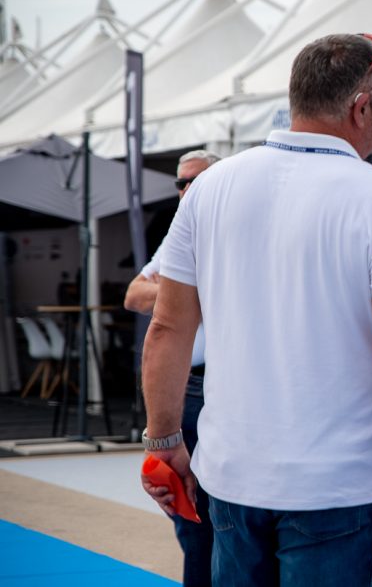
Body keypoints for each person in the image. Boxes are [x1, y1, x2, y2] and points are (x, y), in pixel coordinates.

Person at [139, 33, 372, 587]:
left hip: (232, 478)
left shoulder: (210, 187)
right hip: (337, 488)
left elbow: (168, 327)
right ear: (362, 106)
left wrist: (163, 440)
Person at [124, 148, 220, 587]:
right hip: (189, 387)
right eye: (181, 183)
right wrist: (196, 298)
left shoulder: (229, 230)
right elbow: (133, 294)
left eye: (195, 180)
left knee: (232, 511)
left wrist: (175, 294)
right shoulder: (180, 234)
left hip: (231, 385)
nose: (186, 189)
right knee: (190, 513)